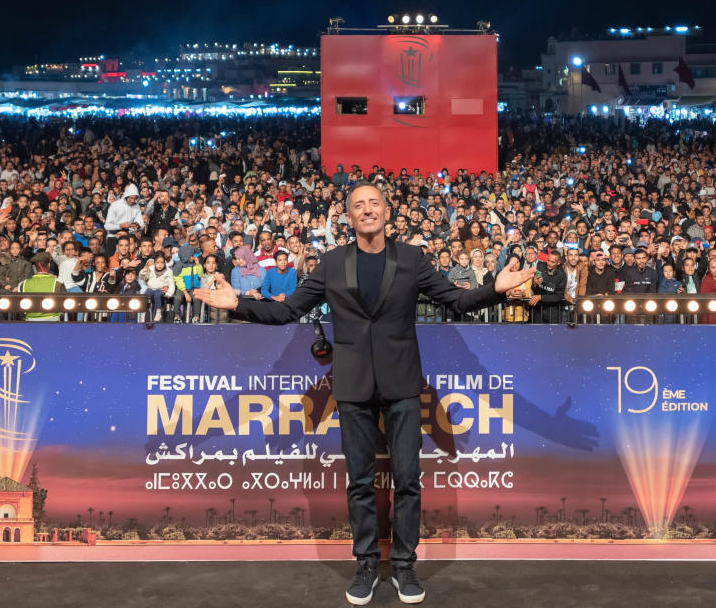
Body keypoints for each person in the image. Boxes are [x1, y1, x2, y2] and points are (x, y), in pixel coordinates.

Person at [194, 182, 533, 606]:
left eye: (374, 203)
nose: (368, 210)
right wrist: (238, 304)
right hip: (352, 387)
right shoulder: (332, 263)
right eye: (359, 205)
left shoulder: (411, 258)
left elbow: (457, 300)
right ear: (349, 217)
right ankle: (367, 563)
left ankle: (405, 566)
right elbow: (287, 310)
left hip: (404, 385)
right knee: (359, 483)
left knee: (408, 480)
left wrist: (495, 289)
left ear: (387, 212)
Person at [15, 252, 65, 321]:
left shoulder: (23, 284)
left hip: (30, 323)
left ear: (34, 267)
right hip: (53, 324)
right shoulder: (57, 283)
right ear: (49, 265)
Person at [139, 252, 176, 322]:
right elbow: (142, 278)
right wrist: (143, 271)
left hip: (160, 289)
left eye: (162, 262)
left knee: (157, 294)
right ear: (154, 263)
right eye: (157, 262)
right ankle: (144, 313)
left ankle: (158, 312)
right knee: (146, 295)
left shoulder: (168, 271)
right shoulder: (151, 268)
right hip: (150, 288)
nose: (160, 264)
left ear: (164, 263)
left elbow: (171, 284)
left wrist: (169, 293)